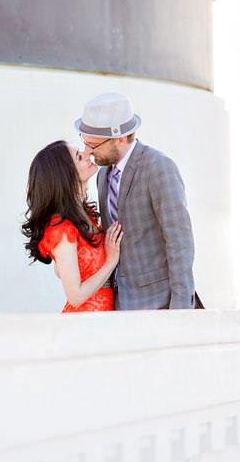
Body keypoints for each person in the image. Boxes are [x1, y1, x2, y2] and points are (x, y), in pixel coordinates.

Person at [75, 92, 201, 310]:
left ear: (121, 138)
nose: (88, 152)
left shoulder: (159, 168)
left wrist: (181, 312)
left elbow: (180, 243)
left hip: (160, 305)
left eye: (93, 145)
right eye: (85, 143)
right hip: (120, 306)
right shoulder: (103, 175)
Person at [22, 140, 123, 312]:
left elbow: (62, 268)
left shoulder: (84, 217)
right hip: (83, 325)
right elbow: (75, 296)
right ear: (66, 175)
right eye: (79, 156)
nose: (87, 153)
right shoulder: (61, 228)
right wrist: (111, 262)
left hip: (105, 318)